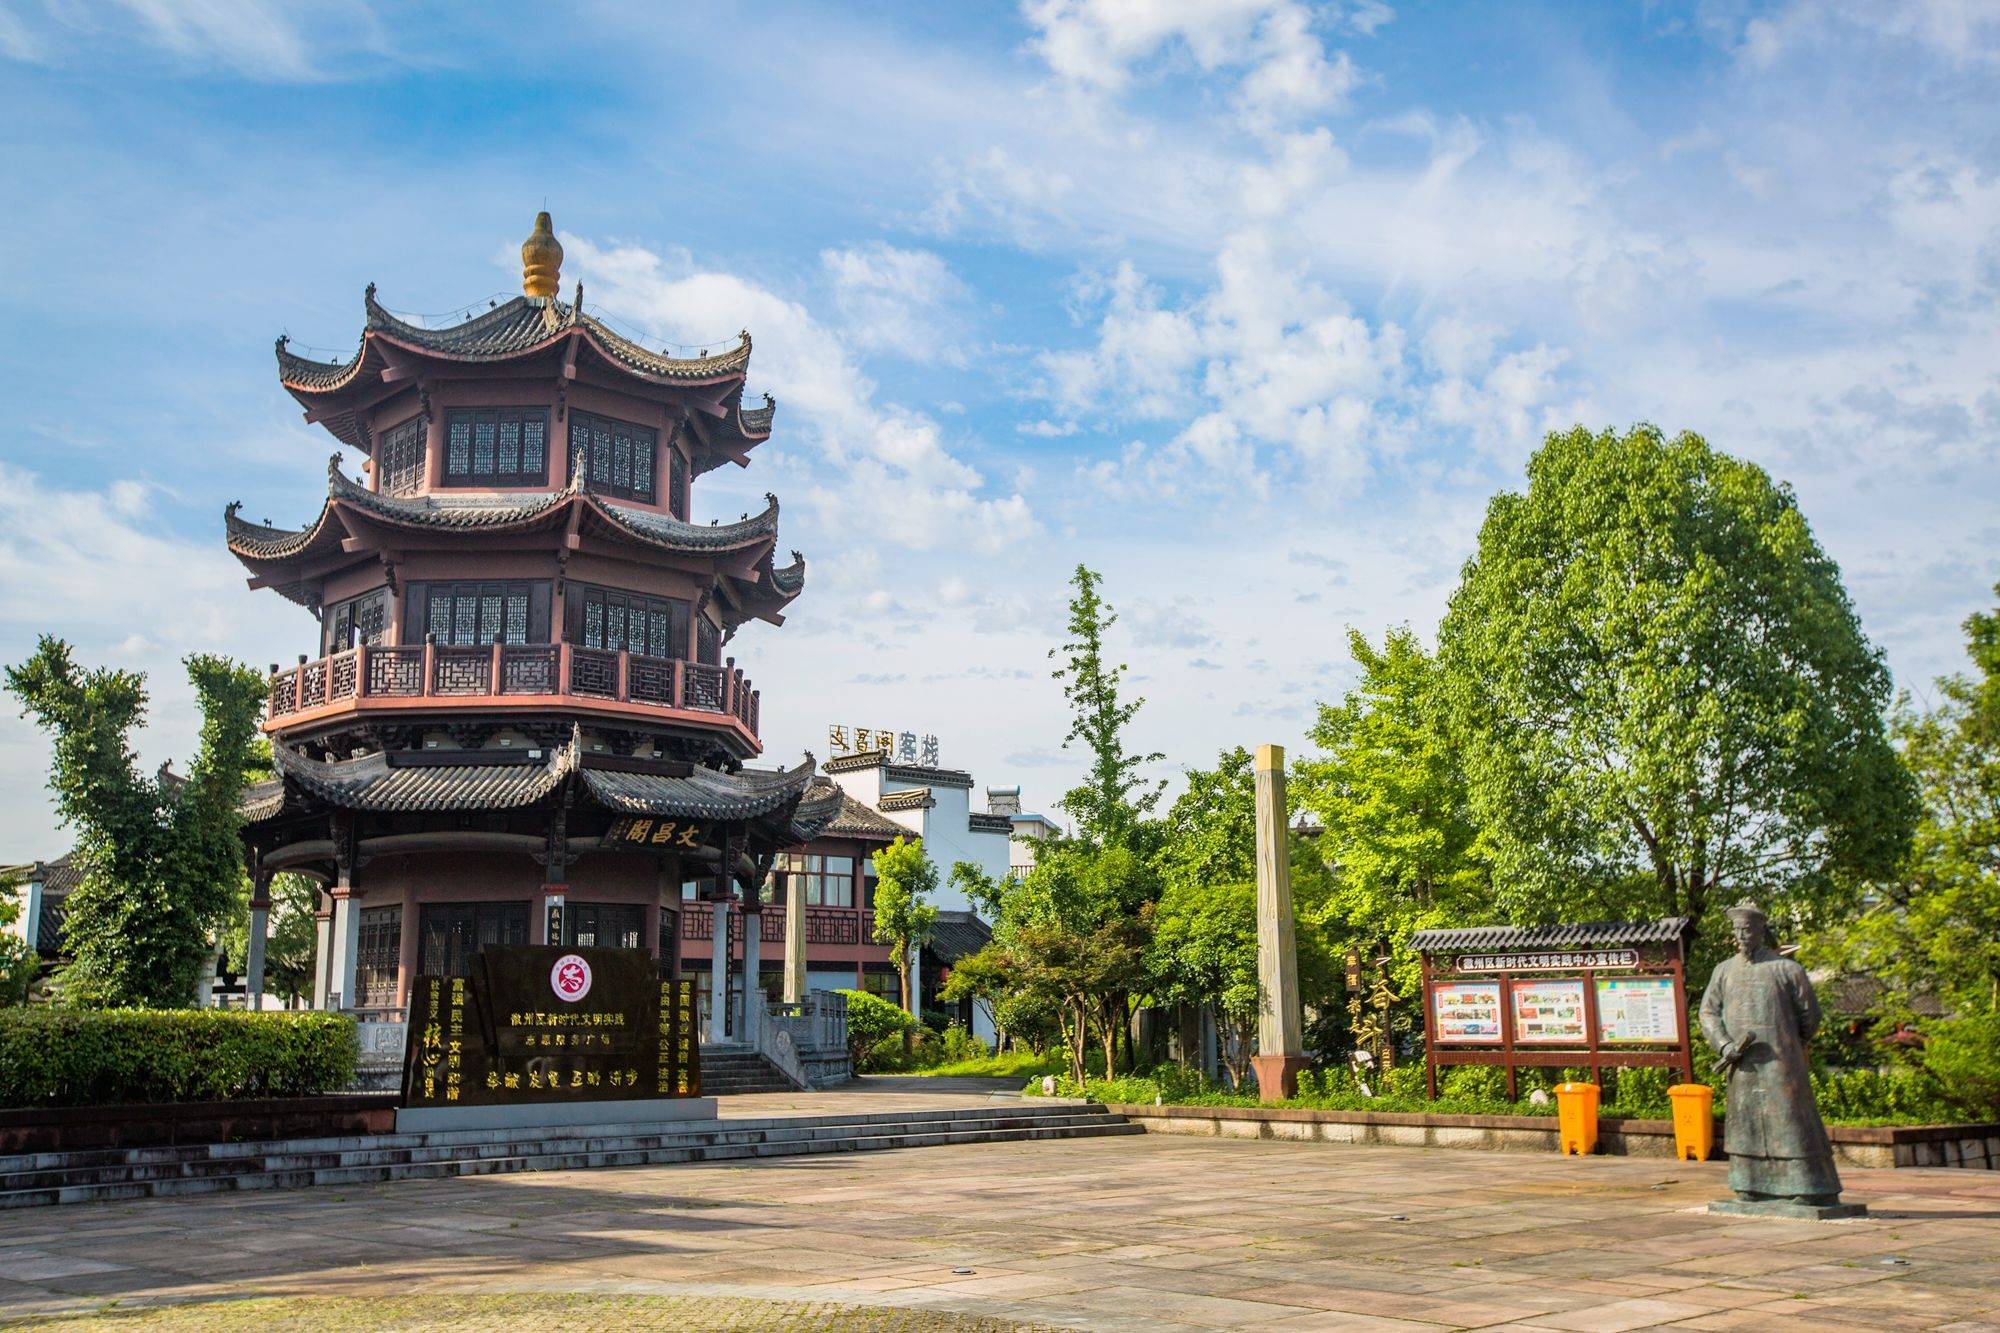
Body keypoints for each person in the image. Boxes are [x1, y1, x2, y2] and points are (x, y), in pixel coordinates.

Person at [1698, 900, 1844, 1205]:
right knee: (1745, 1123)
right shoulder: (1723, 971)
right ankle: (1748, 1183)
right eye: (1738, 930)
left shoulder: (1788, 970)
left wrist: (1790, 1042)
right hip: (1742, 1063)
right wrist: (1724, 1044)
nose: (1742, 936)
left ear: (1762, 931)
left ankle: (1806, 1186)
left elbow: (1810, 1016)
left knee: (1791, 1121)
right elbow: (1708, 1013)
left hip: (1782, 1061)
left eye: (1748, 930)